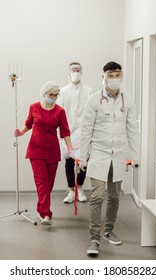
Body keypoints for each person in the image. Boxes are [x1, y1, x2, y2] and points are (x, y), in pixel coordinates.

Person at [79, 61, 140, 256]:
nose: (115, 79)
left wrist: (136, 155)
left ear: (122, 76)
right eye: (111, 75)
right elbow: (86, 130)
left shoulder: (127, 100)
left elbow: (132, 129)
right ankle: (94, 238)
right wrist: (83, 158)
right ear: (103, 76)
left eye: (118, 75)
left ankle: (108, 231)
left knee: (114, 196)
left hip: (119, 154)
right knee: (98, 196)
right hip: (98, 154)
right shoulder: (94, 100)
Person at [14, 81, 72, 225]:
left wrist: (70, 147)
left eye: (55, 95)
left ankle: (41, 208)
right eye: (50, 94)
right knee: (42, 182)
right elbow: (29, 124)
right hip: (36, 150)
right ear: (44, 94)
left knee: (49, 184)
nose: (53, 97)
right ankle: (46, 214)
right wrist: (20, 132)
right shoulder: (34, 107)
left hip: (52, 150)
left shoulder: (60, 111)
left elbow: (65, 131)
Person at [57, 62, 93, 204]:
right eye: (73, 70)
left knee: (84, 160)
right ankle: (71, 190)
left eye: (78, 70)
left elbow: (91, 111)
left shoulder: (89, 90)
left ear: (82, 72)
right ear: (69, 72)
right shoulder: (63, 91)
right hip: (69, 132)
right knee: (69, 161)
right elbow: (59, 111)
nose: (76, 72)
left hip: (84, 131)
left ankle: (80, 188)